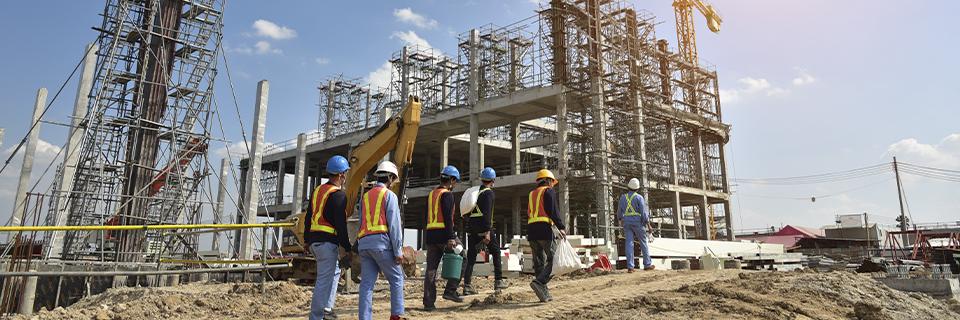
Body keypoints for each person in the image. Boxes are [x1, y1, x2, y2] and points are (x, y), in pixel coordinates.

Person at [357, 161, 406, 320]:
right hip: (382, 244)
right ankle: (397, 315)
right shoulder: (389, 195)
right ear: (390, 177)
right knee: (397, 278)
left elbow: (360, 223)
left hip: (364, 244)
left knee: (366, 285)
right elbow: (394, 225)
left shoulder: (364, 197)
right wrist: (398, 251)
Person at [305, 155, 352, 320]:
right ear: (340, 175)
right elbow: (340, 224)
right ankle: (317, 316)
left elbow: (308, 216)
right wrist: (347, 247)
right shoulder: (338, 195)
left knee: (334, 272)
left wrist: (306, 240)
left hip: (314, 241)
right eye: (345, 173)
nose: (346, 177)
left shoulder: (318, 190)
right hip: (326, 243)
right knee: (323, 281)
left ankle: (326, 309)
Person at [422, 165, 464, 310]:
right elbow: (447, 217)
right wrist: (451, 237)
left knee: (431, 270)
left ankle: (429, 303)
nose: (455, 184)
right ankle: (450, 290)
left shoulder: (432, 194)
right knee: (462, 255)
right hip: (444, 235)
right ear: (451, 180)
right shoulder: (447, 195)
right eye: (455, 181)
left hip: (431, 235)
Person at [461, 167, 508, 295]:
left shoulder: (476, 192)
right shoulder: (488, 193)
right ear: (492, 180)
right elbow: (487, 213)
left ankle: (467, 286)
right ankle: (498, 281)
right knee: (496, 252)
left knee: (471, 257)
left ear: (482, 179)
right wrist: (487, 231)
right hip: (483, 227)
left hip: (472, 228)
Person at [526, 169, 566, 303]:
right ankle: (540, 282)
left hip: (531, 231)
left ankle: (542, 292)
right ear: (548, 180)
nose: (552, 185)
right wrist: (561, 227)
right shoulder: (548, 191)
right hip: (544, 230)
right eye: (552, 182)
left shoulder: (532, 193)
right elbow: (553, 210)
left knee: (539, 263)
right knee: (555, 260)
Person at [617, 178, 654, 272]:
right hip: (638, 222)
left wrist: (621, 221)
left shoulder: (623, 197)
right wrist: (648, 225)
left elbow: (619, 212)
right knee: (643, 242)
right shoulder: (639, 198)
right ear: (637, 189)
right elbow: (644, 213)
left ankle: (630, 266)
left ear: (628, 187)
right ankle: (647, 264)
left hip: (627, 222)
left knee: (629, 243)